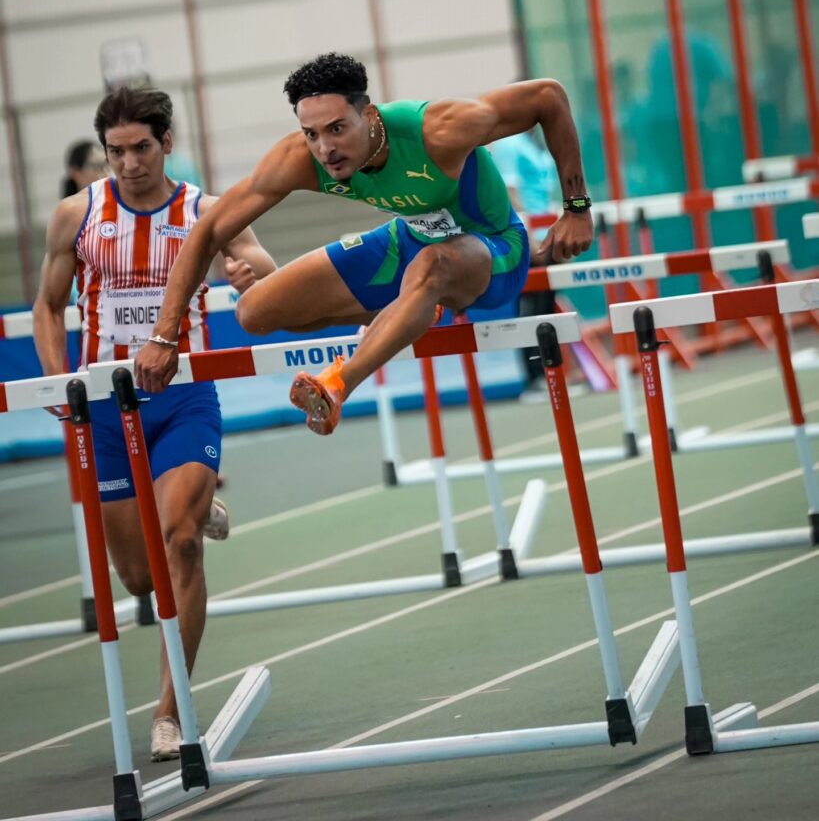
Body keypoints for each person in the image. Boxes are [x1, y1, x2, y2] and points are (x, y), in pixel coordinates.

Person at [134, 52, 594, 436]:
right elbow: (207, 231)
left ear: (369, 116)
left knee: (432, 265)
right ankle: (412, 308)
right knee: (254, 311)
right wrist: (163, 335)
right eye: (311, 133)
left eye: (337, 128)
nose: (325, 149)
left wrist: (576, 207)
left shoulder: (439, 130)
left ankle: (338, 384)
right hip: (409, 240)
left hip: (493, 250)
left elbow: (547, 96)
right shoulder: (300, 159)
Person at [33, 87, 276, 761]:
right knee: (140, 581)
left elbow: (267, 273)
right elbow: (48, 308)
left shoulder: (207, 210)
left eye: (141, 147)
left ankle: (170, 712)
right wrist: (62, 389)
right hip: (106, 408)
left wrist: (243, 271)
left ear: (166, 143)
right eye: (116, 151)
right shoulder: (77, 217)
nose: (130, 162)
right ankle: (195, 507)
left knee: (181, 546)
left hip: (184, 397)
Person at [489, 128, 559, 401]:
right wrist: (527, 238)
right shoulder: (508, 144)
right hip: (527, 240)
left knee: (547, 309)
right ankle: (533, 379)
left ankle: (552, 373)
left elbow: (545, 194)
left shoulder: (538, 144)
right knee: (529, 309)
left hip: (547, 236)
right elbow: (508, 193)